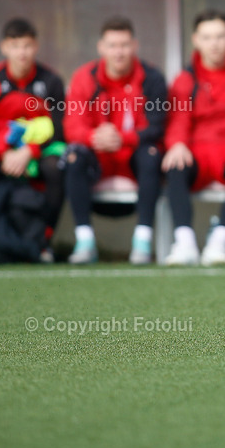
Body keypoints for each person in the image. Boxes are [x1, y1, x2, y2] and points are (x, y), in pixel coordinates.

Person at [161, 9, 225, 266]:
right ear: (196, 40)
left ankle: (219, 242)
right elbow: (178, 118)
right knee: (175, 165)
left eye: (220, 36)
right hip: (199, 150)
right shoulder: (185, 78)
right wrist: (176, 144)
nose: (214, 44)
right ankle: (184, 242)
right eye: (207, 37)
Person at [63, 17, 167, 265]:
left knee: (152, 155)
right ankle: (84, 241)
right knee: (73, 157)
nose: (118, 52)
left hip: (133, 156)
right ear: (101, 47)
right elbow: (72, 125)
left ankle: (142, 242)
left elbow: (156, 126)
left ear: (135, 46)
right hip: (97, 156)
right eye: (112, 45)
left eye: (124, 45)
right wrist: (93, 137)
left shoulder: (152, 78)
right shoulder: (84, 77)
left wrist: (123, 139)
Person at [0, 17, 66, 256]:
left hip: (38, 151)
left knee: (56, 168)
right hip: (2, 150)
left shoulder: (51, 81)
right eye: (15, 46)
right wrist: (5, 153)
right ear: (4, 47)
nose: (22, 53)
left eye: (26, 46)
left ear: (35, 46)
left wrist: (28, 152)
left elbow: (59, 127)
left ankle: (44, 240)